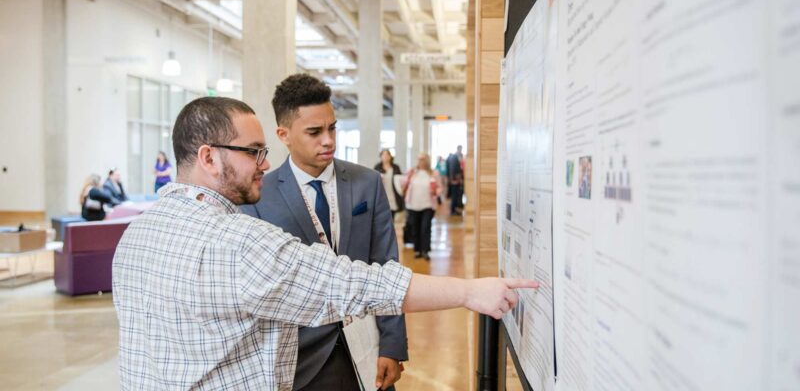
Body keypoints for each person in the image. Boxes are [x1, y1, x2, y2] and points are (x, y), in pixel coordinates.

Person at [112, 96, 538, 390]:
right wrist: (468, 291)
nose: (263, 164)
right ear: (208, 157)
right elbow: (350, 284)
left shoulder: (137, 236)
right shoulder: (236, 242)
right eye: (253, 152)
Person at [241, 75, 407, 391]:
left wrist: (393, 344)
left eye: (332, 128)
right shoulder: (260, 199)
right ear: (284, 135)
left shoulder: (367, 184)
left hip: (368, 347)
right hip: (299, 361)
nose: (328, 140)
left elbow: (387, 265)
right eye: (315, 132)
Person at [402, 153, 442, 260]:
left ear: (427, 160)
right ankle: (417, 250)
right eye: (419, 159)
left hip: (428, 205)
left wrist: (435, 191)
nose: (420, 162)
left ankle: (425, 250)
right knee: (415, 228)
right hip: (413, 205)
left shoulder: (433, 173)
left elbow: (439, 188)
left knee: (425, 228)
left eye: (423, 159)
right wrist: (407, 177)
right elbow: (404, 184)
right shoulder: (413, 172)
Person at [374, 149, 405, 219]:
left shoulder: (396, 167)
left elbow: (400, 179)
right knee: (381, 217)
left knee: (391, 217)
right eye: (383, 155)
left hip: (393, 195)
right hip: (381, 196)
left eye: (387, 155)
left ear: (390, 156)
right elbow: (373, 181)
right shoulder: (377, 167)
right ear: (380, 156)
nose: (385, 156)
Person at [445, 146, 465, 215]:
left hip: (455, 180)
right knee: (454, 196)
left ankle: (454, 209)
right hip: (454, 181)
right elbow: (453, 170)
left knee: (456, 196)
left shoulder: (456, 157)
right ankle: (452, 211)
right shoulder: (454, 157)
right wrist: (454, 180)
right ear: (458, 149)